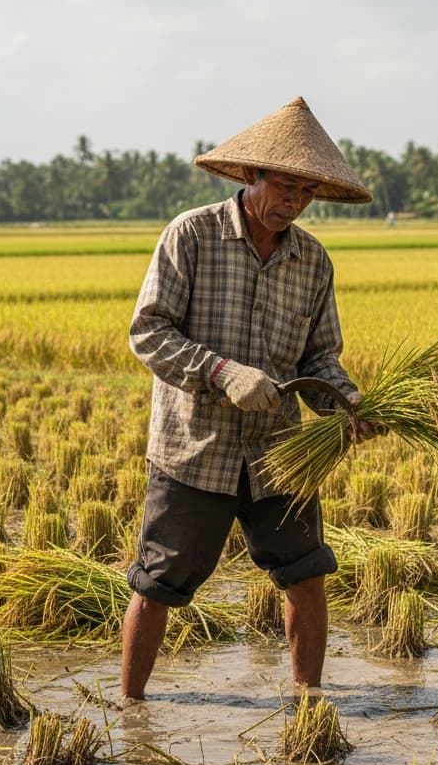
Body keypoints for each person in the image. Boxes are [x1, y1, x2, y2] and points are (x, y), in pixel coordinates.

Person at [121, 96, 374, 703]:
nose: (293, 200)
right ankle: (130, 709)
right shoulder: (193, 235)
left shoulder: (312, 260)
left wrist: (346, 401)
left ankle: (309, 707)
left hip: (278, 454)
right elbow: (148, 332)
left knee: (306, 575)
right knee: (158, 582)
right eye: (284, 184)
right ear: (250, 176)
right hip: (195, 449)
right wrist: (223, 372)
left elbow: (319, 357)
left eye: (305, 191)